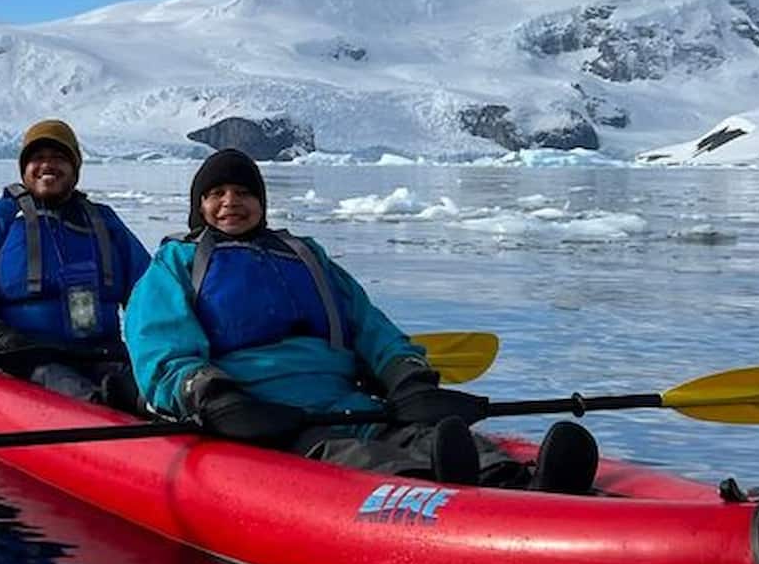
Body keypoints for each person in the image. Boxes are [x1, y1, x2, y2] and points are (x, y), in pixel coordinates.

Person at [122, 148, 598, 492]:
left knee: (423, 433)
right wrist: (213, 395)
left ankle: (517, 479)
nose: (231, 202)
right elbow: (161, 348)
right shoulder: (176, 263)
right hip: (263, 414)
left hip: (347, 400)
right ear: (199, 205)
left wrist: (406, 378)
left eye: (244, 192)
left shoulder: (304, 255)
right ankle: (431, 494)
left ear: (262, 203)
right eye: (217, 193)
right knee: (354, 455)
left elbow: (369, 325)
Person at [0, 119, 151, 408]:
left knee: (148, 398)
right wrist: (1, 340)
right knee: (87, 399)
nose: (47, 166)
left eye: (58, 158)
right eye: (37, 158)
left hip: (103, 356)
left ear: (75, 168)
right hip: (27, 360)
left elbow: (151, 297)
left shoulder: (105, 223)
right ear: (24, 168)